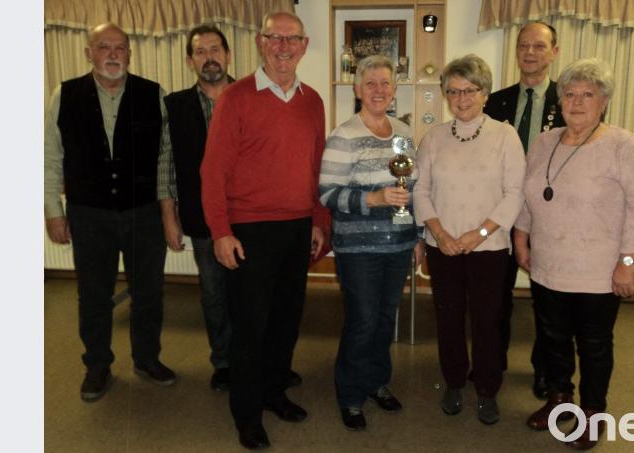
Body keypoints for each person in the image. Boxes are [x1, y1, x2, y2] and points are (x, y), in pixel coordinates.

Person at [199, 11, 328, 450]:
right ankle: (247, 414)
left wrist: (317, 219)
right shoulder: (235, 97)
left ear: (305, 46)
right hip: (249, 231)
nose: (284, 47)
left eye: (292, 40)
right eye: (275, 38)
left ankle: (274, 393)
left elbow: (314, 167)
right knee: (250, 328)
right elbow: (212, 170)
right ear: (260, 42)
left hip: (295, 229)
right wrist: (220, 230)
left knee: (285, 322)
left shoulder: (313, 100)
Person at [516, 58, 634, 450]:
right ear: (560, 101)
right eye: (570, 94)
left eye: (588, 95)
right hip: (547, 265)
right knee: (552, 339)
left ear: (604, 101)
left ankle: (593, 412)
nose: (577, 102)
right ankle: (560, 399)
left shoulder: (622, 145)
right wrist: (521, 237)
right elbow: (530, 192)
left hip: (598, 270)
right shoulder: (545, 142)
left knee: (593, 344)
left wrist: (628, 264)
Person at [162, 25, 303, 393]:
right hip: (205, 218)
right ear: (190, 60)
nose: (209, 56)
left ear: (228, 54)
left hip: (255, 219)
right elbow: (166, 165)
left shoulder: (255, 94)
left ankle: (265, 362)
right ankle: (225, 361)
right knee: (216, 294)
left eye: (215, 49)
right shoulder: (175, 106)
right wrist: (169, 216)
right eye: (200, 51)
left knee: (262, 295)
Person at [44, 23, 176, 402]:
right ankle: (97, 366)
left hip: (144, 213)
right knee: (93, 295)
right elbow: (52, 157)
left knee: (149, 292)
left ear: (130, 54)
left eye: (120, 47)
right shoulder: (64, 94)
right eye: (104, 47)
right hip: (89, 214)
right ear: (89, 52)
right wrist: (54, 210)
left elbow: (167, 158)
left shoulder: (154, 94)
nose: (113, 54)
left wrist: (169, 212)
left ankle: (147, 359)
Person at [413, 55, 526, 425]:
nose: (461, 98)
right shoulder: (434, 137)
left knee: (487, 321)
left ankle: (487, 390)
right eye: (453, 91)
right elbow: (421, 190)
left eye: (470, 90)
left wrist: (477, 234)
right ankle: (454, 381)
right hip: (443, 246)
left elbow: (514, 193)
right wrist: (442, 234)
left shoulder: (505, 135)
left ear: (485, 93)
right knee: (448, 318)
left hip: (489, 248)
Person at [318, 55, 422, 432]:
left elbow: (413, 188)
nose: (379, 90)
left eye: (385, 83)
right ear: (357, 90)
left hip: (398, 245)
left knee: (384, 319)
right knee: (361, 321)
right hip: (358, 249)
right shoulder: (343, 135)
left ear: (394, 90)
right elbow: (327, 194)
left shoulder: (403, 135)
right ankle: (349, 394)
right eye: (371, 83)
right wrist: (372, 200)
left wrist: (417, 235)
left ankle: (377, 382)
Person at [483, 21, 565, 400]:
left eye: (539, 46)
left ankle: (545, 371)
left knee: (548, 301)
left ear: (554, 51)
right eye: (523, 46)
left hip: (548, 217)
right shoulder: (495, 101)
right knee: (495, 299)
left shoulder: (569, 102)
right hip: (501, 215)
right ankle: (491, 363)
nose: (529, 52)